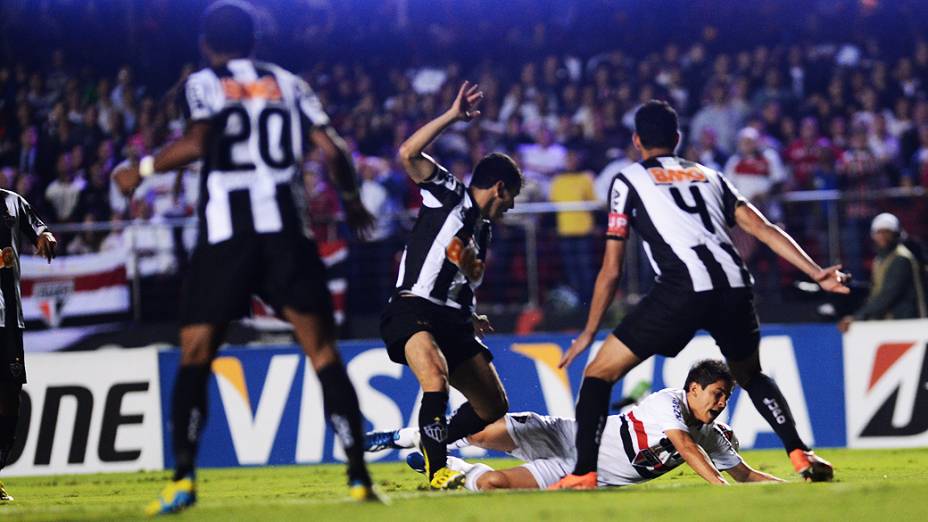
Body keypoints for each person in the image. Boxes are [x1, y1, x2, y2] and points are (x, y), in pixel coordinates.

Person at [113, 1, 380, 513]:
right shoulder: (289, 82)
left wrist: (141, 169)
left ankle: (185, 480)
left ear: (206, 43)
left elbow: (198, 140)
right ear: (254, 42)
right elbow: (332, 150)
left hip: (226, 238)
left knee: (195, 353)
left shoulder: (203, 82)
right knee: (322, 353)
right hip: (287, 236)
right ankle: (359, 477)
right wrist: (349, 201)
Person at [549, 100, 850, 490]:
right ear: (677, 139)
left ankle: (584, 473)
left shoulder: (626, 181)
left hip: (681, 288)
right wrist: (816, 271)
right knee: (751, 374)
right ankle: (799, 452)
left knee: (598, 373)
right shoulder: (711, 176)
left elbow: (611, 268)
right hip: (735, 285)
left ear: (637, 140)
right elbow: (762, 227)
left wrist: (590, 331)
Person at [378, 81, 522, 490]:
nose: (511, 205)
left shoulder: (485, 231)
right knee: (435, 377)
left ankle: (429, 443)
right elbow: (408, 154)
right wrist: (452, 116)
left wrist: (469, 314)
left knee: (493, 405)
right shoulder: (448, 195)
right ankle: (438, 469)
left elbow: (458, 279)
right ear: (499, 188)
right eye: (511, 197)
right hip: (413, 308)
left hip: (452, 318)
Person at [367, 360, 783, 490]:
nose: (722, 402)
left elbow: (745, 474)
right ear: (693, 389)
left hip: (577, 471)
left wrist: (787, 486)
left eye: (727, 397)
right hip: (567, 434)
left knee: (491, 486)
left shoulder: (710, 432)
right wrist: (719, 487)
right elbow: (686, 447)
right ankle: (405, 437)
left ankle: (452, 468)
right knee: (476, 430)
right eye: (717, 393)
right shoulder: (669, 401)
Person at [0, 189, 57, 502]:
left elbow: (37, 226)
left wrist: (44, 235)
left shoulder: (12, 202)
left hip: (9, 318)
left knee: (11, 398)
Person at [838, 213, 927, 332]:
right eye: (878, 232)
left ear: (896, 234)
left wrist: (859, 317)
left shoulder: (901, 258)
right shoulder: (880, 259)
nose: (882, 236)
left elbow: (888, 295)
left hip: (905, 321)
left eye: (887, 232)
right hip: (891, 321)